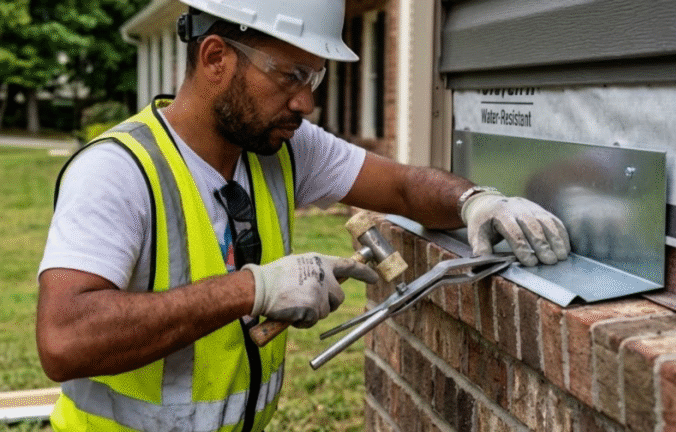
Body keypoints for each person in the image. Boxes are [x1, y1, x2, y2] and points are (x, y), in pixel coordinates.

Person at [35, 1, 570, 430]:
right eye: (289, 75)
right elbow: (64, 341)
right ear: (216, 57)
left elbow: (405, 187)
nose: (305, 104)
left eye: (311, 80)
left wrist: (476, 201)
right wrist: (255, 289)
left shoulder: (283, 148)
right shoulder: (117, 171)